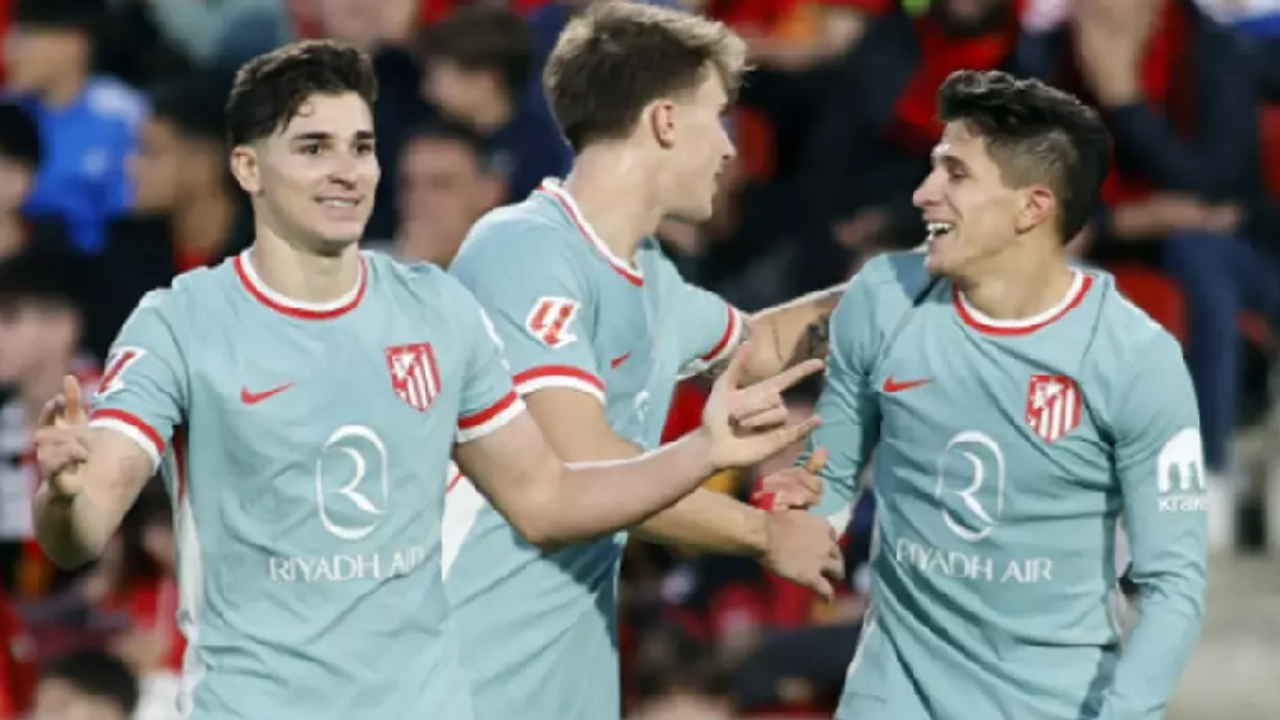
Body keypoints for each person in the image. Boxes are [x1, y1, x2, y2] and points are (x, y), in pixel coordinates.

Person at [30, 40, 824, 720]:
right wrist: (63, 496)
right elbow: (85, 524)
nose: (346, 172)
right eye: (314, 148)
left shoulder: (438, 310)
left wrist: (698, 454)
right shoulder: (181, 322)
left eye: (361, 147)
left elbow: (547, 500)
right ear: (248, 168)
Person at [444, 5, 848, 720]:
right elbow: (579, 466)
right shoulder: (523, 250)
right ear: (665, 121)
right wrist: (761, 533)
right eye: (717, 117)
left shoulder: (652, 278)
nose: (729, 148)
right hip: (461, 679)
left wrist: (917, 282)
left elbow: (764, 346)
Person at [806, 69, 1208, 720]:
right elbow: (826, 481)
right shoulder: (883, 298)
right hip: (890, 697)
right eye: (933, 167)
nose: (923, 194)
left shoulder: (1136, 359)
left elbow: (1175, 586)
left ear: (1032, 207)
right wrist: (795, 511)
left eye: (956, 174)